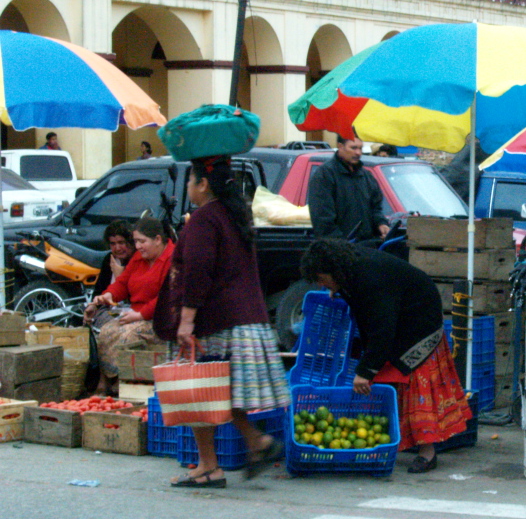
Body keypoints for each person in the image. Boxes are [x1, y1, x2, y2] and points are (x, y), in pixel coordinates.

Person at [158, 155, 289, 489]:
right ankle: (252, 444)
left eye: (190, 181)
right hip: (246, 317)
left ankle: (209, 466)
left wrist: (186, 321)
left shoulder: (204, 219)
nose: (188, 187)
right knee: (222, 393)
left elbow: (198, 270)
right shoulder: (234, 215)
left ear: (203, 184)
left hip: (218, 320)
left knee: (201, 391)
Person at [300, 238, 472, 474]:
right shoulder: (350, 271)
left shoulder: (371, 277)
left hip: (419, 322)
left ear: (333, 270)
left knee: (414, 387)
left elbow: (382, 328)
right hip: (399, 316)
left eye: (322, 279)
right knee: (387, 378)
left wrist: (365, 370)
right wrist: (336, 290)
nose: (322, 284)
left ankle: (427, 453)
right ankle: (398, 441)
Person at [83, 217, 174, 395]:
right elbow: (123, 283)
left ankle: (121, 383)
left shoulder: (173, 258)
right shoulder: (139, 258)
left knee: (126, 335)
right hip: (136, 315)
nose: (138, 247)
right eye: (136, 242)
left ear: (157, 239)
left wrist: (140, 316)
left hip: (161, 320)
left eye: (142, 241)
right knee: (107, 331)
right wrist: (107, 296)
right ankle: (111, 383)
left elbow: (168, 296)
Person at [307, 134, 389, 241]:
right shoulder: (325, 175)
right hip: (340, 249)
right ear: (340, 146)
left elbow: (375, 209)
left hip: (367, 246)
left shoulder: (366, 176)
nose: (358, 152)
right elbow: (323, 220)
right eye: (353, 148)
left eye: (360, 148)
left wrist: (381, 224)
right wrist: (341, 245)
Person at [92, 220, 136, 297]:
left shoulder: (139, 260)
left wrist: (120, 276)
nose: (117, 248)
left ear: (131, 242)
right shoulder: (109, 259)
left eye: (121, 243)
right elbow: (99, 291)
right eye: (113, 244)